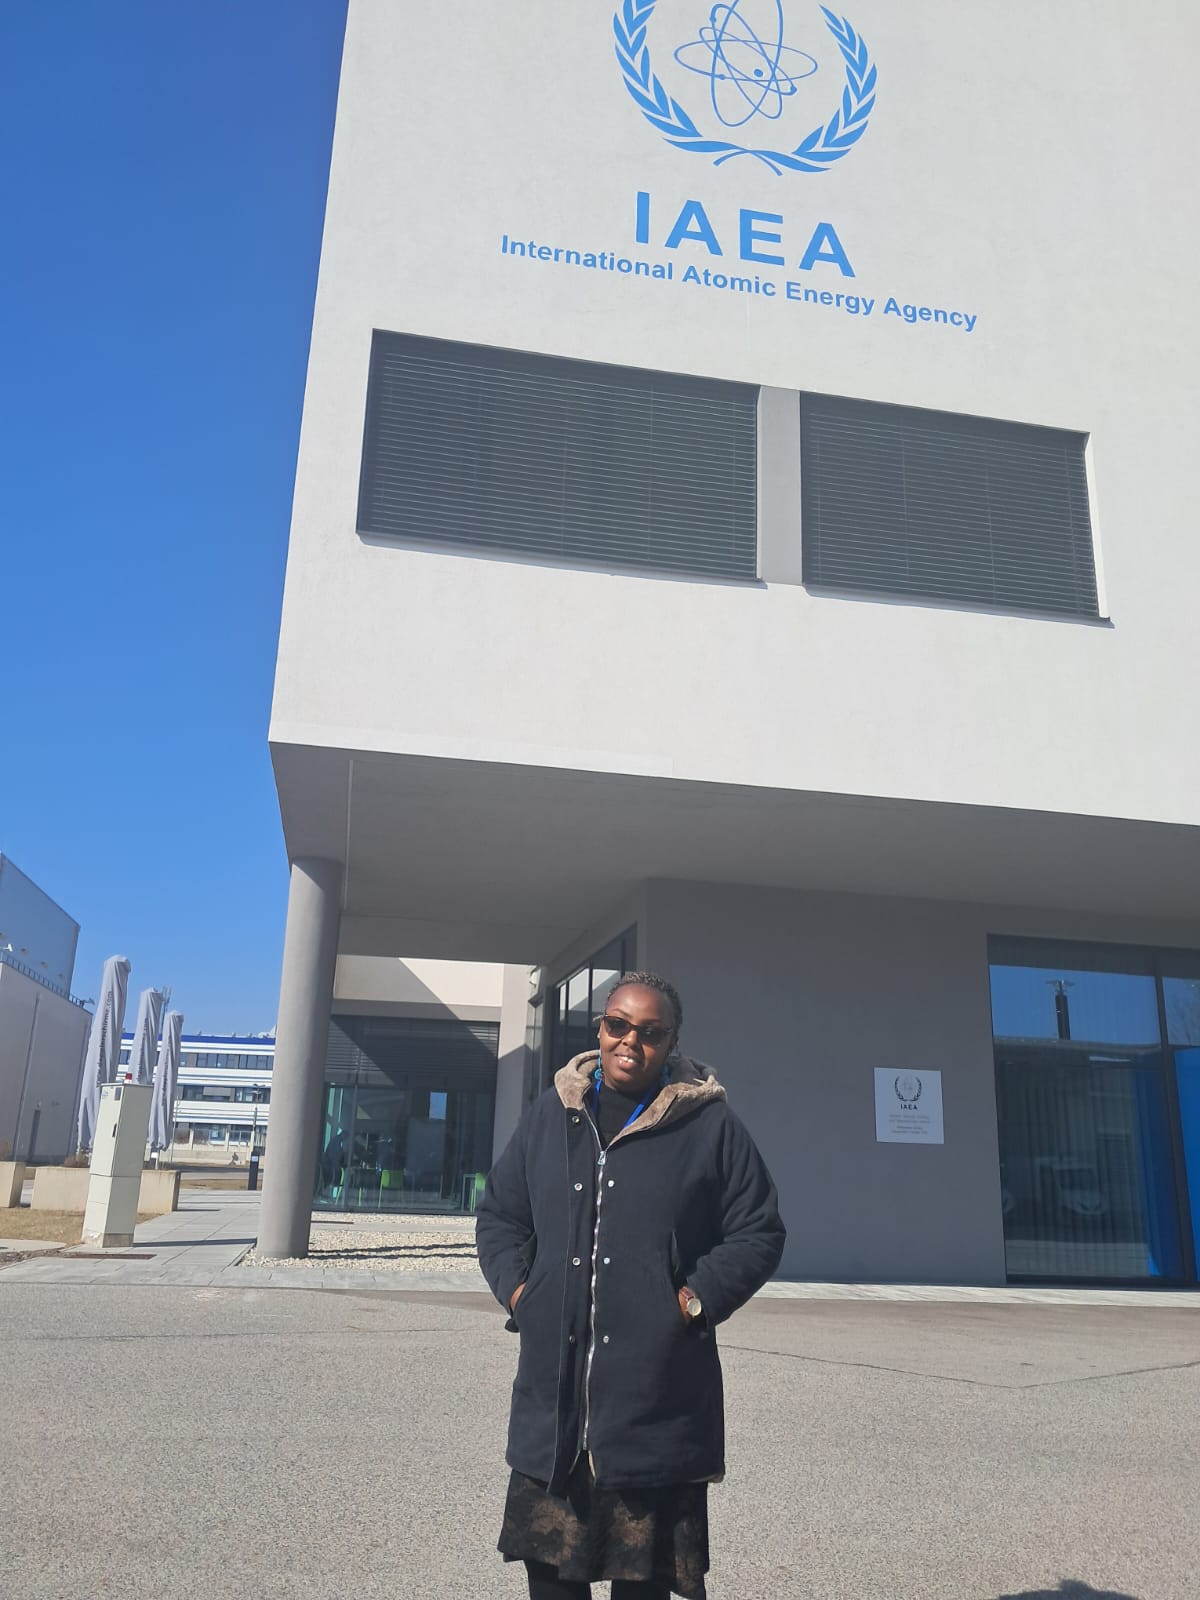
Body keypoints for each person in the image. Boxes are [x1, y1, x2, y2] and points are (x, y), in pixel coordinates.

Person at [476, 970, 785, 1600]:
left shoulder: (709, 1125)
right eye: (617, 1024)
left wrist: (693, 1301)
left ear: (671, 1042)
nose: (630, 1041)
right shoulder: (551, 1113)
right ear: (600, 1029)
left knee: (642, 1587)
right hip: (555, 1409)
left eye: (650, 1032)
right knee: (551, 1583)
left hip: (655, 1407)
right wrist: (522, 1294)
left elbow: (758, 1230)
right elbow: (501, 1216)